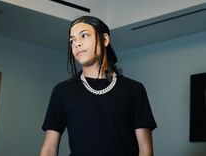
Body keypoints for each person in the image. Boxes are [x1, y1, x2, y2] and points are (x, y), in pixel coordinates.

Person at [39, 16, 157, 156]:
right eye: (72, 40)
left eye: (84, 35)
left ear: (105, 39)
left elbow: (145, 150)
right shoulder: (62, 91)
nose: (77, 44)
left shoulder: (134, 89)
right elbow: (49, 149)